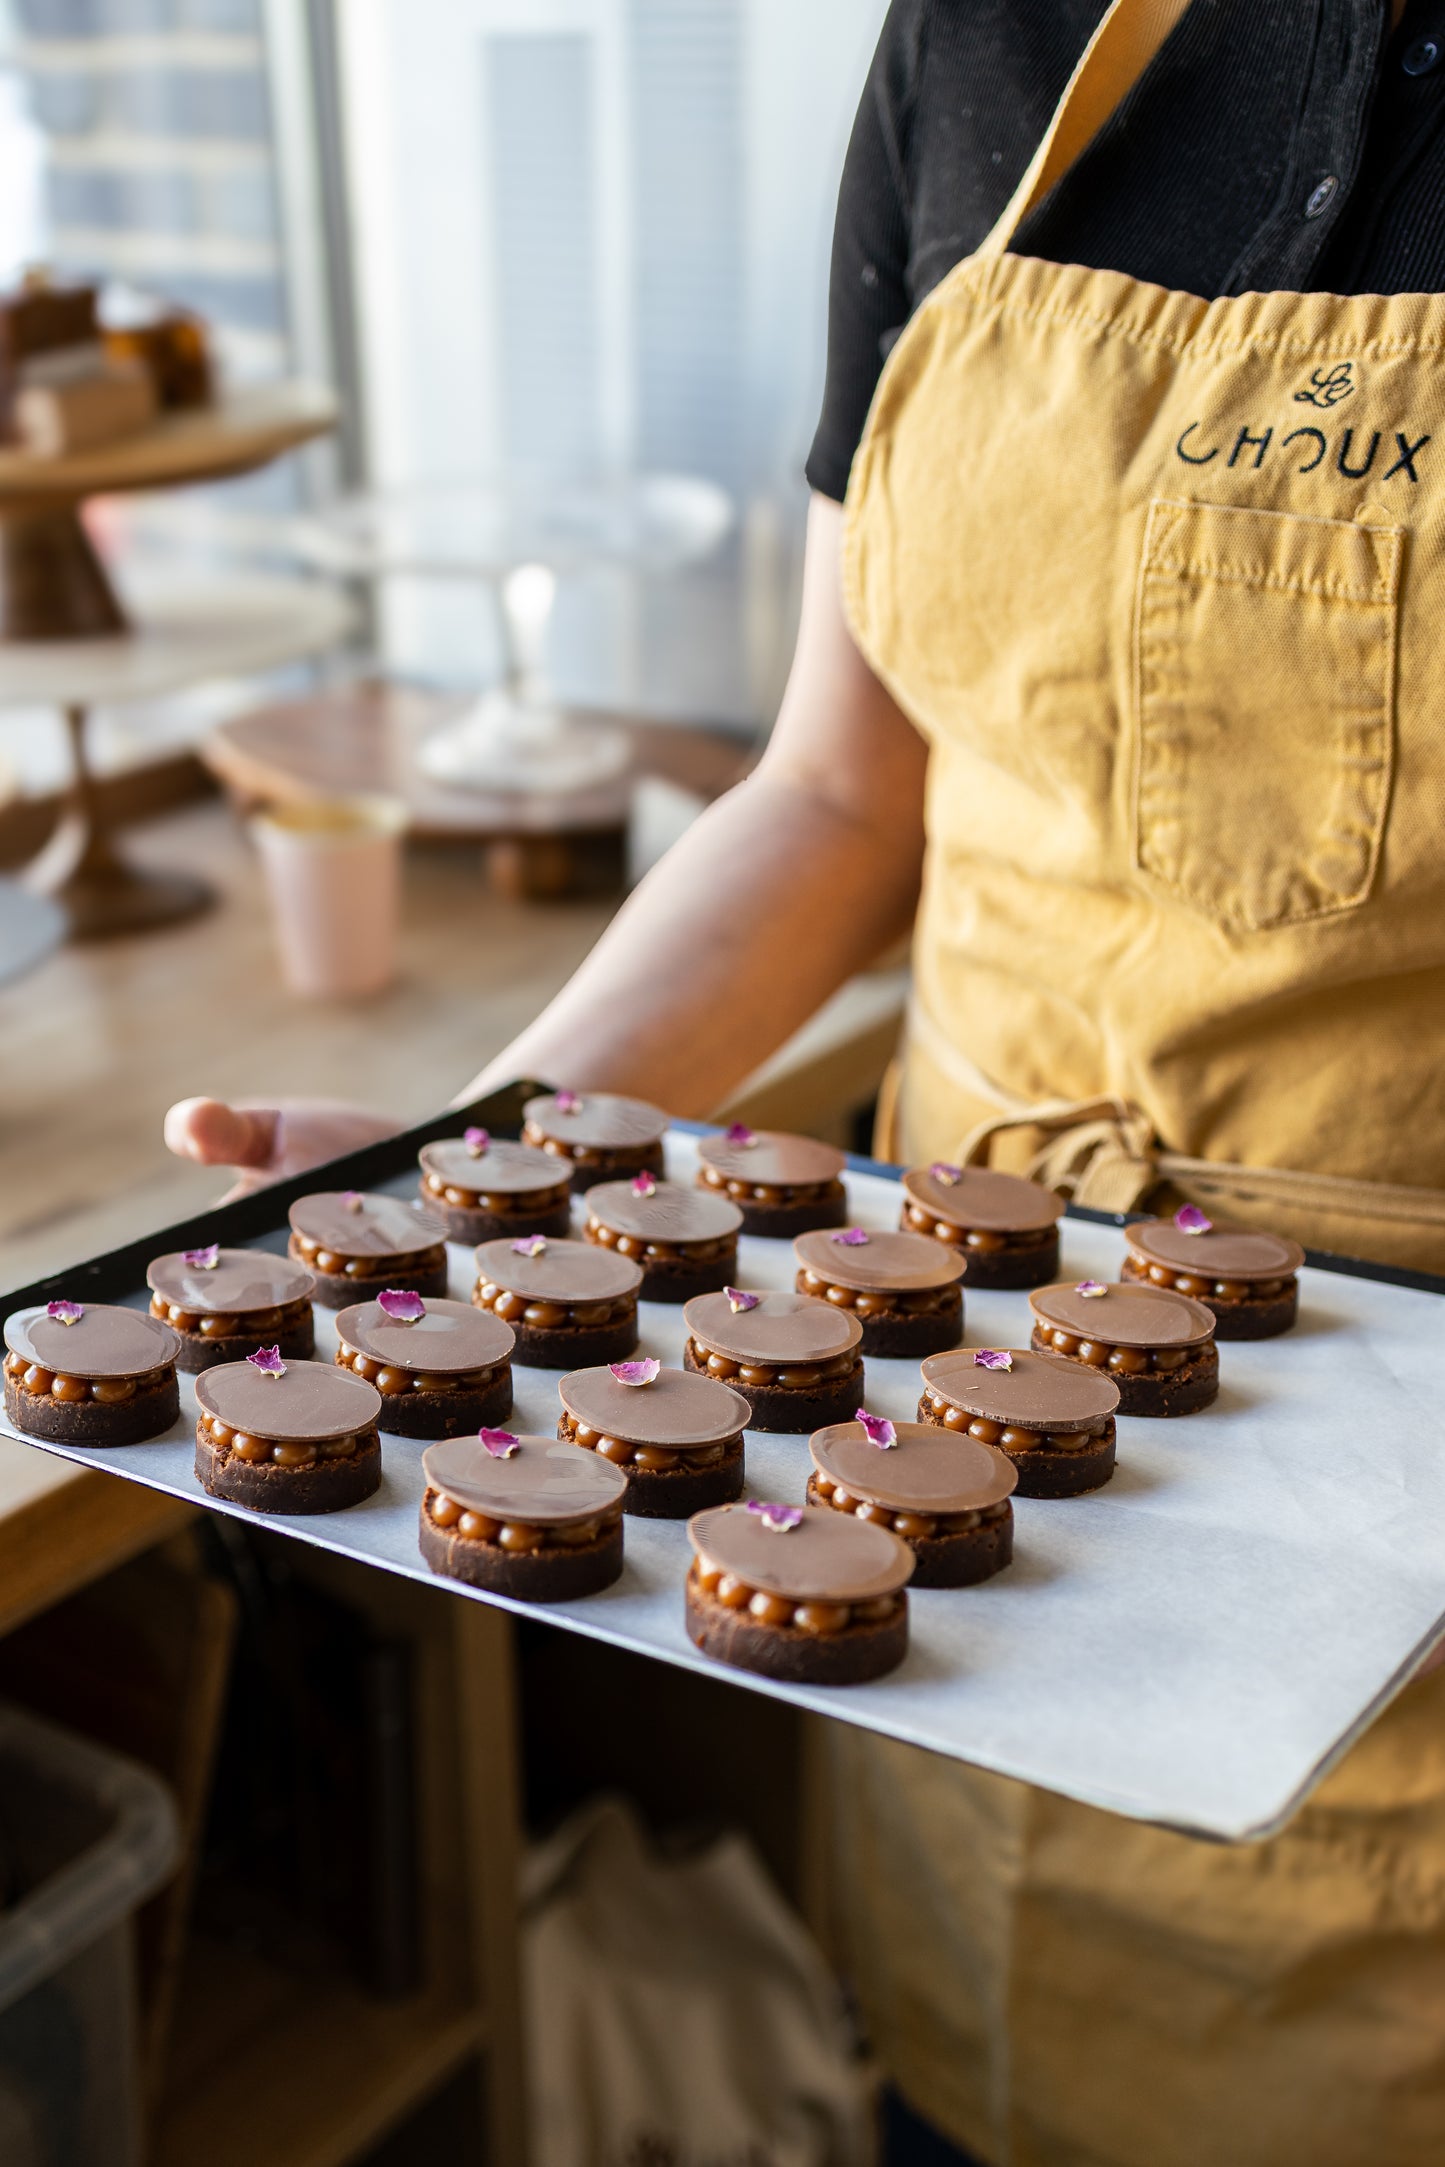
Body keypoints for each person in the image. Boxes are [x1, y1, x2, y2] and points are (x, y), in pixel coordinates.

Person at [169, 2, 1445, 2159]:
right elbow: (845, 793)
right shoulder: (980, 36)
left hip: (1391, 1472)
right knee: (961, 2067)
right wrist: (472, 1160)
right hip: (955, 1427)